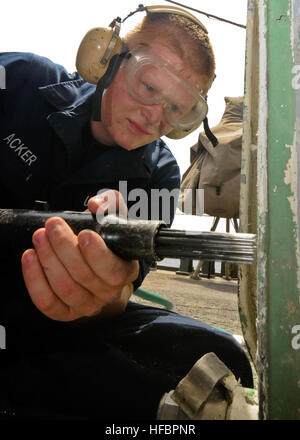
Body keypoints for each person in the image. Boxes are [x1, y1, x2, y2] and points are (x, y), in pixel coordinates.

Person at [0, 5, 253, 420]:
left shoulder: (161, 175)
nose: (156, 117)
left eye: (178, 109)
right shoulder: (19, 81)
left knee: (217, 359)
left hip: (49, 328)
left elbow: (121, 297)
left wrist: (103, 293)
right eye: (149, 86)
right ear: (105, 58)